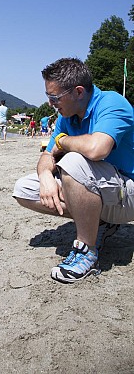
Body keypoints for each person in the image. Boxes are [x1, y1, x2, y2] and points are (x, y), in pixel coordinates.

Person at [13, 57, 134, 284]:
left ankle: (87, 250)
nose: (50, 103)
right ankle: (100, 222)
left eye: (54, 97)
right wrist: (46, 176)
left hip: (128, 194)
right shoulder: (65, 117)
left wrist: (63, 143)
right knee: (24, 189)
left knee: (73, 161)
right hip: (105, 189)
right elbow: (47, 156)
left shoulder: (112, 103)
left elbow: (97, 149)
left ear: (78, 92)